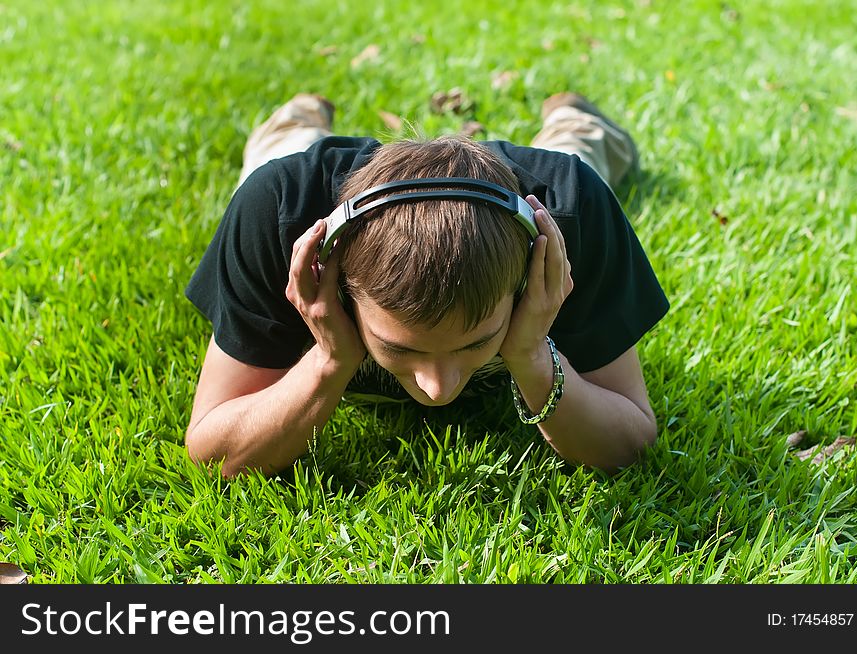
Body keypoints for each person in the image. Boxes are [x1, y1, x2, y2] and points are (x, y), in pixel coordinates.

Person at [184, 91, 669, 478]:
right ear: (340, 286)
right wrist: (330, 360)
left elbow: (629, 441)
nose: (438, 389)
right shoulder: (279, 216)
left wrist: (533, 356)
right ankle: (299, 116)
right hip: (302, 182)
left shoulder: (567, 219)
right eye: (401, 348)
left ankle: (574, 116)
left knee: (577, 152)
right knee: (282, 153)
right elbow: (214, 452)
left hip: (541, 185)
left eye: (475, 343)